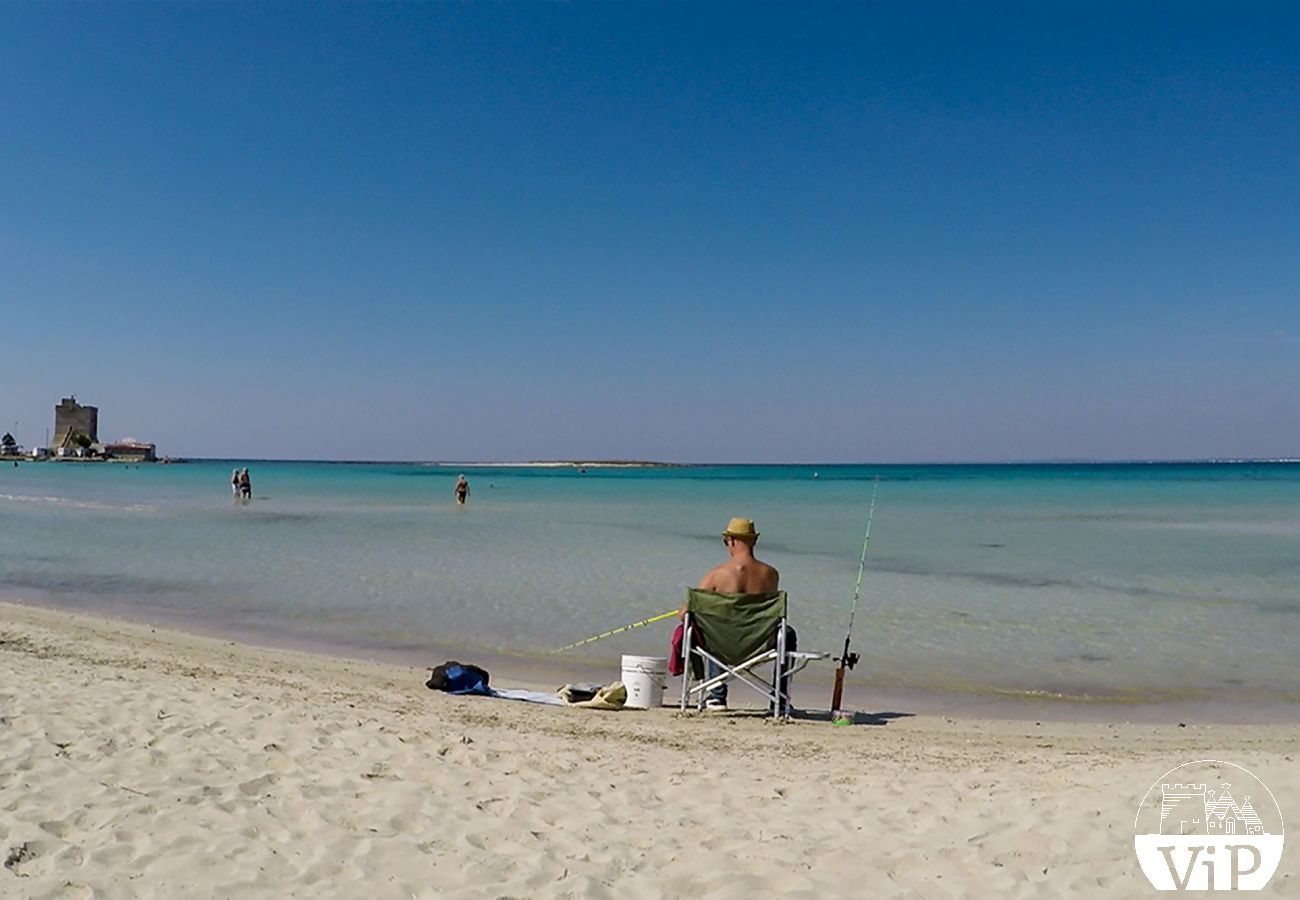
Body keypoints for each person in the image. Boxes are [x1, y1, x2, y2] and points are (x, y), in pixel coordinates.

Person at [690, 517, 779, 711]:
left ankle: (716, 696)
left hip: (723, 644)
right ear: (754, 541)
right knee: (787, 634)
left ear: (731, 541)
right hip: (758, 645)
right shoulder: (771, 574)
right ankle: (778, 697)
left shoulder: (716, 575)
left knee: (714, 627)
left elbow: (688, 612)